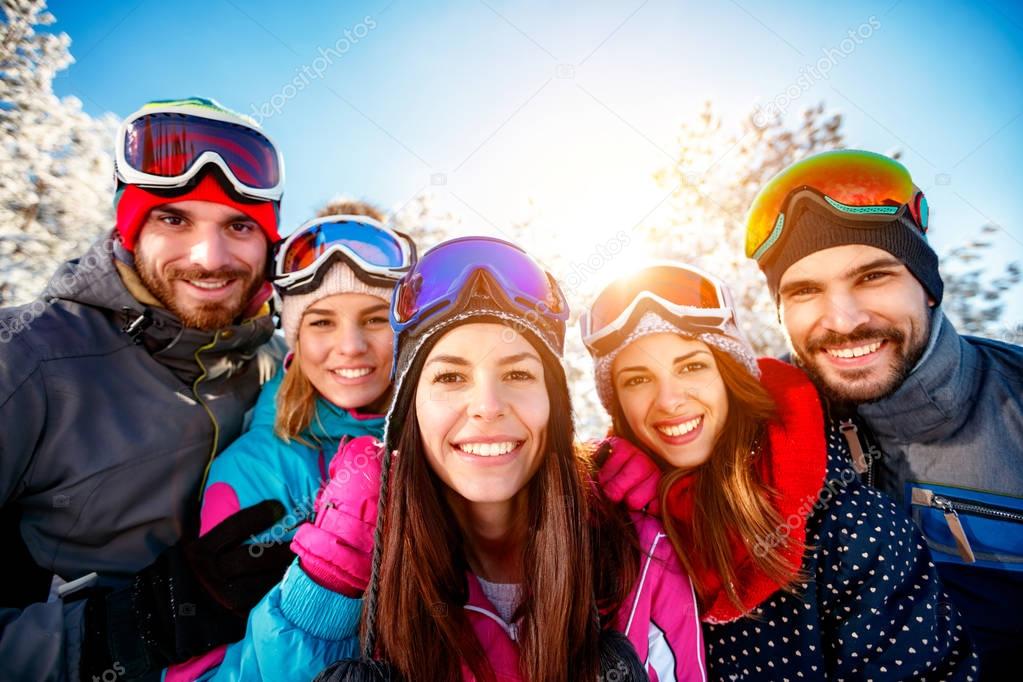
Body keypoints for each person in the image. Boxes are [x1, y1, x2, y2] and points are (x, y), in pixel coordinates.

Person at [212, 236, 707, 681]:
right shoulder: (373, 576)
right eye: (450, 378)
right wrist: (324, 588)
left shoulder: (640, 558)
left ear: (555, 403)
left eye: (518, 375)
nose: (488, 407)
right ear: (409, 411)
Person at [0, 97, 293, 681]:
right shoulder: (26, 355)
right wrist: (119, 633)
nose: (210, 259)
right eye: (174, 220)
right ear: (130, 229)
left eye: (239, 226)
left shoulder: (279, 368)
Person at [583, 262, 979, 680]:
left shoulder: (851, 529)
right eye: (637, 379)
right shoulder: (604, 532)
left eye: (691, 366)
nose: (669, 401)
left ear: (728, 375)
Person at [745, 148, 1023, 677]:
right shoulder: (756, 424)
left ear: (928, 286)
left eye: (873, 277)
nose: (844, 319)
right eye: (805, 290)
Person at [165, 208, 416, 681]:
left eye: (375, 318)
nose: (351, 346)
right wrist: (323, 588)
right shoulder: (257, 472)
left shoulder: (447, 443)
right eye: (322, 322)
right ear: (295, 338)